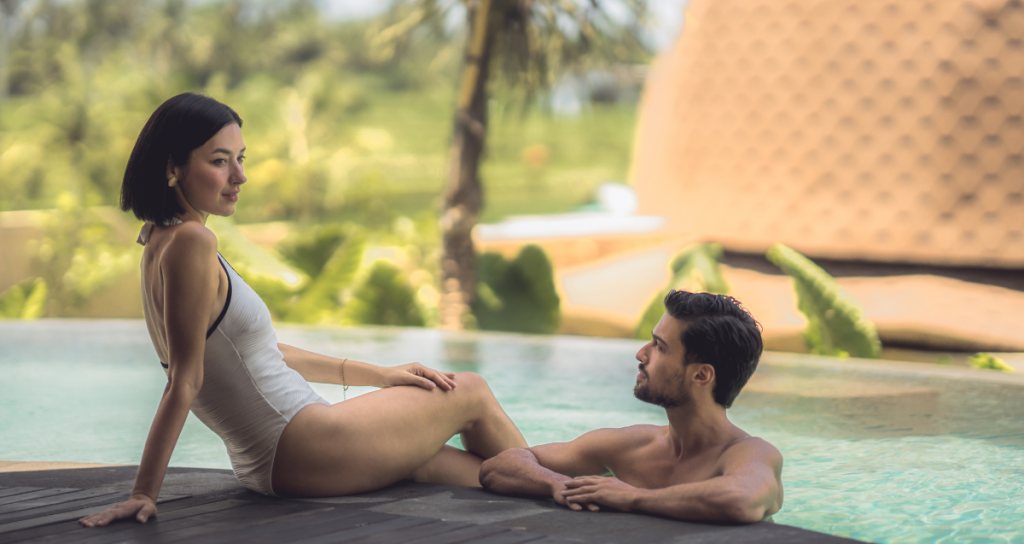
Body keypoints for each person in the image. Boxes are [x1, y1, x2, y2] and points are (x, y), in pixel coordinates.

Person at [80, 93, 527, 528]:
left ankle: (569, 482)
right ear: (172, 167)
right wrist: (143, 493)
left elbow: (252, 353)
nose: (239, 176)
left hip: (272, 463)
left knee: (477, 472)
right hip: (302, 444)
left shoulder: (158, 240)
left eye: (241, 158)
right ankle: (566, 477)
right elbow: (185, 379)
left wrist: (381, 374)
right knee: (469, 390)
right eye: (219, 161)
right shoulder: (193, 243)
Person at [480, 290, 783, 524]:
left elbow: (741, 499)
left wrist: (633, 497)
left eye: (659, 347)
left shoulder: (750, 453)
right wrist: (559, 485)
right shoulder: (631, 445)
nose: (641, 354)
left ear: (701, 375)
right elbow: (499, 467)